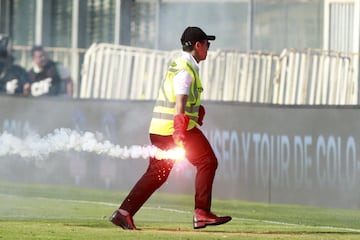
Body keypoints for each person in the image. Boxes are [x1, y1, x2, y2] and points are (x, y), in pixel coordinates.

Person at [109, 26, 232, 230]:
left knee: (157, 173)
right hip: (172, 130)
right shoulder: (186, 69)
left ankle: (124, 213)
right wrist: (180, 132)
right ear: (198, 45)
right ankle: (201, 213)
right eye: (207, 45)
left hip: (160, 129)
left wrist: (196, 110)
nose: (208, 49)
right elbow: (180, 101)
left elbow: (183, 100)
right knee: (207, 162)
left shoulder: (180, 64)